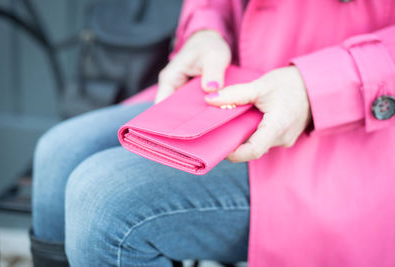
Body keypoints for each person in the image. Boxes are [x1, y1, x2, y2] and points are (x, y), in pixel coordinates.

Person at [30, 0, 395, 266]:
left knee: (105, 201)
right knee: (59, 150)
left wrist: (318, 89)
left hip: (352, 127)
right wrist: (205, 28)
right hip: (233, 82)